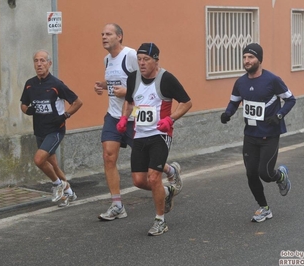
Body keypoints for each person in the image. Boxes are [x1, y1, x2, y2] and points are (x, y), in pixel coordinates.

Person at [94, 24, 183, 221]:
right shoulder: (107, 59)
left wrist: (125, 93)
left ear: (119, 37)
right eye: (102, 34)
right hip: (115, 115)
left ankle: (169, 170)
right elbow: (119, 81)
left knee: (148, 169)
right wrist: (103, 85)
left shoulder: (132, 56)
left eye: (108, 34)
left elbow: (141, 82)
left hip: (138, 118)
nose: (103, 37)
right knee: (109, 156)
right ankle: (117, 205)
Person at [117, 42, 192, 236]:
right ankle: (169, 180)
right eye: (139, 59)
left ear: (156, 61)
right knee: (139, 181)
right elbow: (129, 101)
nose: (141, 63)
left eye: (146, 60)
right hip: (140, 134)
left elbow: (187, 102)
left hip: (160, 134)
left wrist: (170, 119)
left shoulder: (166, 79)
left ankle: (160, 221)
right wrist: (125, 118)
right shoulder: (133, 78)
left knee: (153, 177)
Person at [220, 43, 296, 223]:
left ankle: (281, 176)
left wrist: (279, 115)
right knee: (251, 174)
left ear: (259, 60)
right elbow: (234, 102)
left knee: (265, 173)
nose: (247, 61)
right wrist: (227, 113)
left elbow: (290, 100)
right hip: (251, 135)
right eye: (244, 57)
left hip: (269, 134)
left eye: (251, 57)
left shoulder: (272, 80)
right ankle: (264, 208)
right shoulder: (240, 82)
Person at [20, 49, 83, 207]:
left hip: (55, 130)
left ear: (49, 63)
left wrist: (65, 116)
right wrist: (29, 110)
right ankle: (68, 193)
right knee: (53, 165)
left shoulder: (56, 84)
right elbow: (23, 105)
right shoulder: (30, 84)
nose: (39, 64)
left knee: (39, 160)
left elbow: (77, 102)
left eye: (42, 60)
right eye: (36, 61)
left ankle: (57, 185)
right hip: (39, 130)